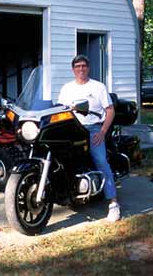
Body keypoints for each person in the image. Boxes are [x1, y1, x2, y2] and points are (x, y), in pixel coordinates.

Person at [57, 54, 120, 222]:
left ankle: (113, 204)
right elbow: (60, 110)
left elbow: (110, 110)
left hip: (93, 128)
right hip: (71, 128)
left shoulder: (98, 87)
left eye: (84, 66)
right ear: (73, 70)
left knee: (101, 161)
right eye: (77, 67)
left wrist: (103, 131)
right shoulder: (66, 88)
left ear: (88, 68)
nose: (81, 69)